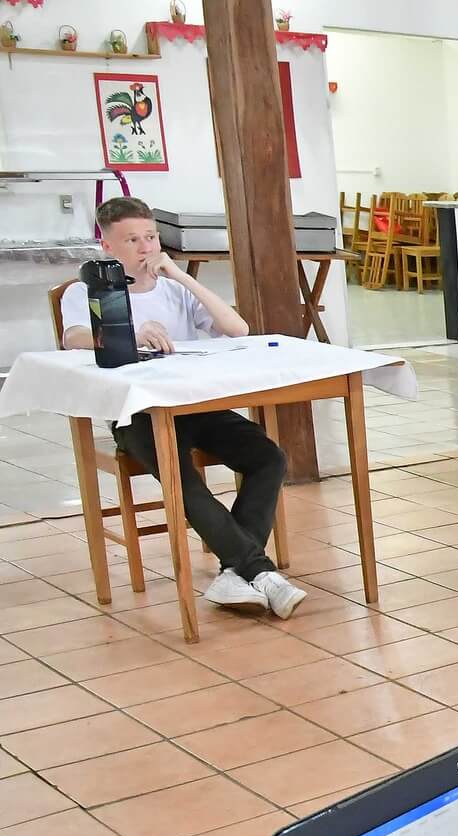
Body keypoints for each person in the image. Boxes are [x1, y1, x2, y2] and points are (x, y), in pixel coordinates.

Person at [60, 196, 304, 618]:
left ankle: (235, 573)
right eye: (132, 239)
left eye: (150, 237)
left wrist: (180, 275)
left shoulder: (174, 287)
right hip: (137, 412)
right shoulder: (87, 290)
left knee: (269, 457)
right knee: (180, 475)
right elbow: (74, 338)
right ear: (108, 247)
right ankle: (258, 572)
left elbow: (236, 328)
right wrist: (130, 332)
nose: (145, 247)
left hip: (197, 403)